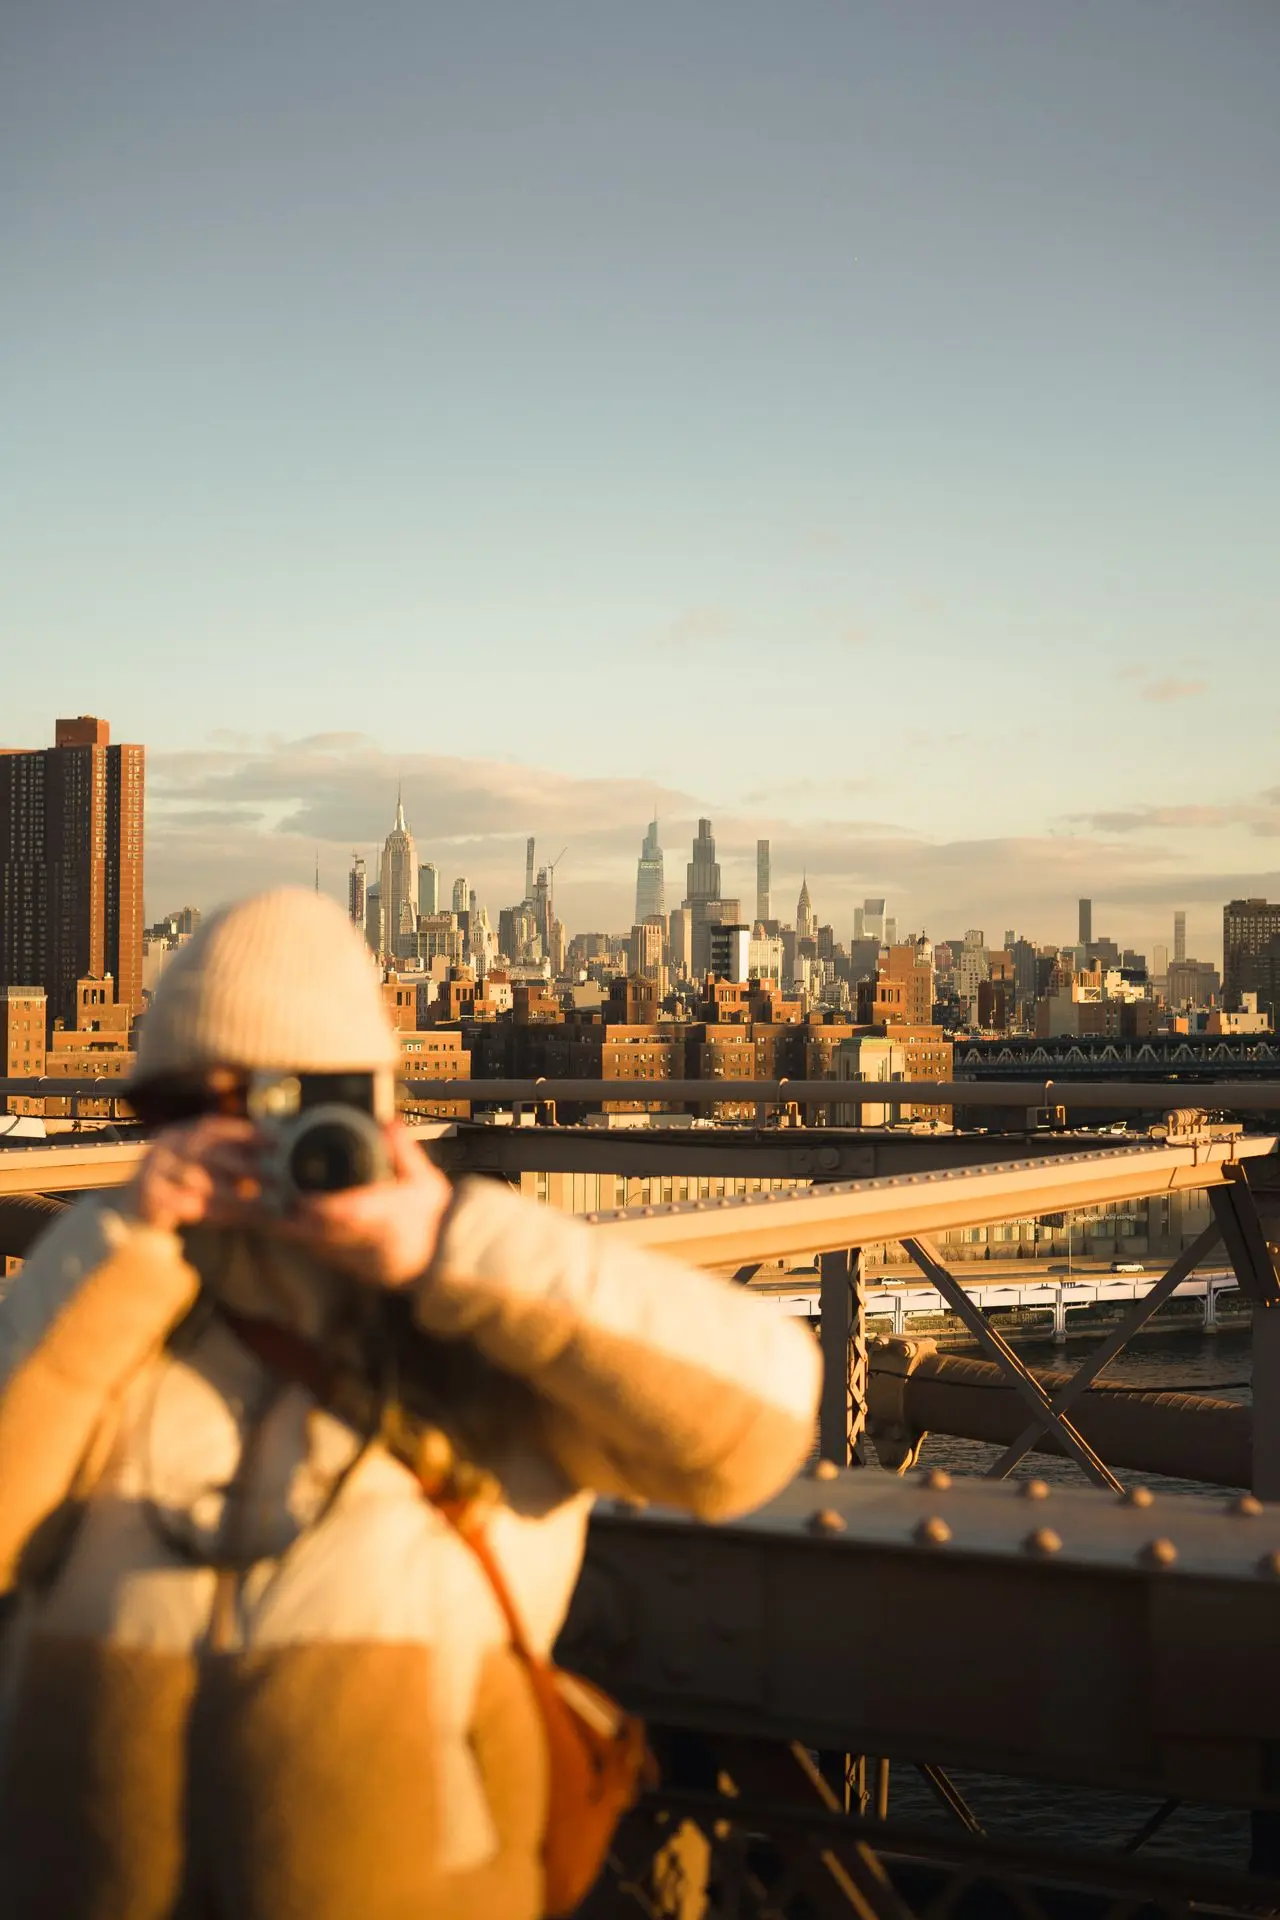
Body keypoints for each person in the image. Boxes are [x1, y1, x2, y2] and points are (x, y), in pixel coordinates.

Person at [0, 888, 821, 1919]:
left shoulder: (477, 1334)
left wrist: (454, 1244)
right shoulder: (110, 1327)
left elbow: (753, 1431)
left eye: (302, 1103)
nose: (253, 1140)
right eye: (198, 1109)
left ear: (379, 1110)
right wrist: (117, 1245)